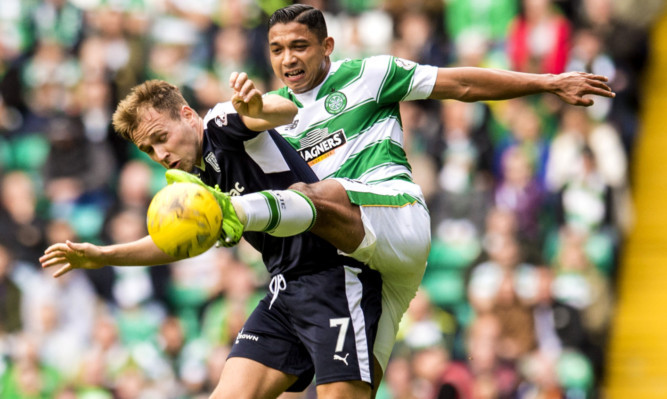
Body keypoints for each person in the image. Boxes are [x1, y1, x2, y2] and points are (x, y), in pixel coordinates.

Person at [196, 4, 614, 388]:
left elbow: (462, 84)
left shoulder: (370, 75)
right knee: (352, 389)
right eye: (277, 49)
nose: (287, 58)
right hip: (356, 268)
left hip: (392, 219)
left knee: (310, 194)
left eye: (299, 46)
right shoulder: (271, 117)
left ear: (327, 46)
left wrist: (547, 81)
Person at [41, 76, 383, 399]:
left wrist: (256, 107)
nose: (159, 155)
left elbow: (287, 111)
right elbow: (172, 243)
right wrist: (103, 256)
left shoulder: (221, 125)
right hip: (285, 289)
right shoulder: (196, 183)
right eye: (148, 149)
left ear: (188, 116)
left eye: (161, 138)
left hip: (334, 277)